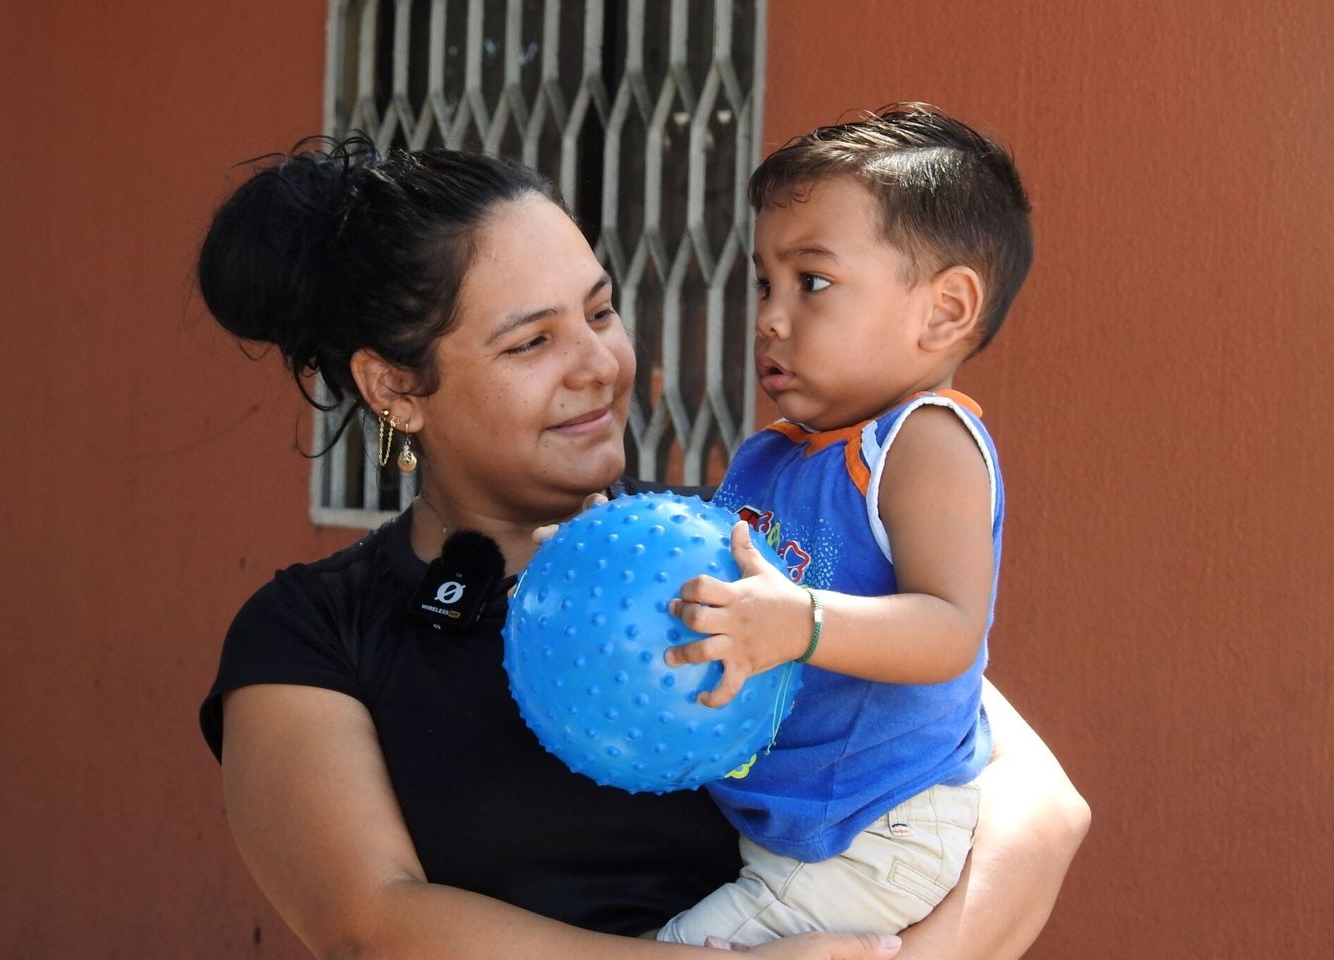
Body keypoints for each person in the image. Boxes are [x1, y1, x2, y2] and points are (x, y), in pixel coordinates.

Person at [195, 135, 1088, 960]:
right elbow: (374, 925)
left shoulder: (745, 546)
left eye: (601, 311)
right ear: (396, 385)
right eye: (533, 340)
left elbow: (1036, 808)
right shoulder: (312, 632)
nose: (600, 363)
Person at [654, 104, 1035, 947]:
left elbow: (948, 630)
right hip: (794, 818)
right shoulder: (774, 454)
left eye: (812, 282)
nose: (770, 317)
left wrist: (802, 622)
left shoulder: (923, 442)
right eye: (764, 282)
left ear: (944, 311)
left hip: (873, 830)